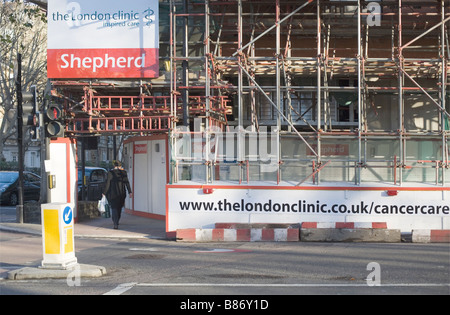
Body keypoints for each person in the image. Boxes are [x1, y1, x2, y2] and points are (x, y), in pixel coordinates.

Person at [102, 160, 132, 229]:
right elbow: (127, 183)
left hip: (112, 194)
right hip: (122, 193)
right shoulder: (124, 173)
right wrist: (130, 192)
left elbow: (108, 184)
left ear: (114, 165)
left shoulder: (110, 173)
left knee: (114, 208)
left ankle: (115, 222)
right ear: (120, 165)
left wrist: (104, 193)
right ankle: (117, 220)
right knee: (119, 207)